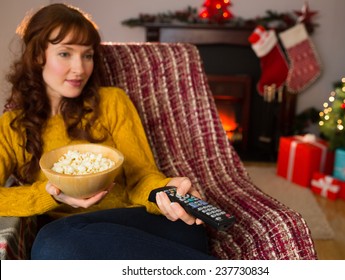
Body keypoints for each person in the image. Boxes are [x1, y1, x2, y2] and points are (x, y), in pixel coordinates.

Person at [0, 3, 214, 260]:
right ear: (38, 56)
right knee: (52, 243)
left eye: (87, 55)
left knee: (51, 245)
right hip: (75, 237)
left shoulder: (112, 101)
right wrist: (49, 194)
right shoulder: (13, 126)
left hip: (143, 224)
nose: (80, 68)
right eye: (65, 54)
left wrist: (167, 189)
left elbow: (141, 178)